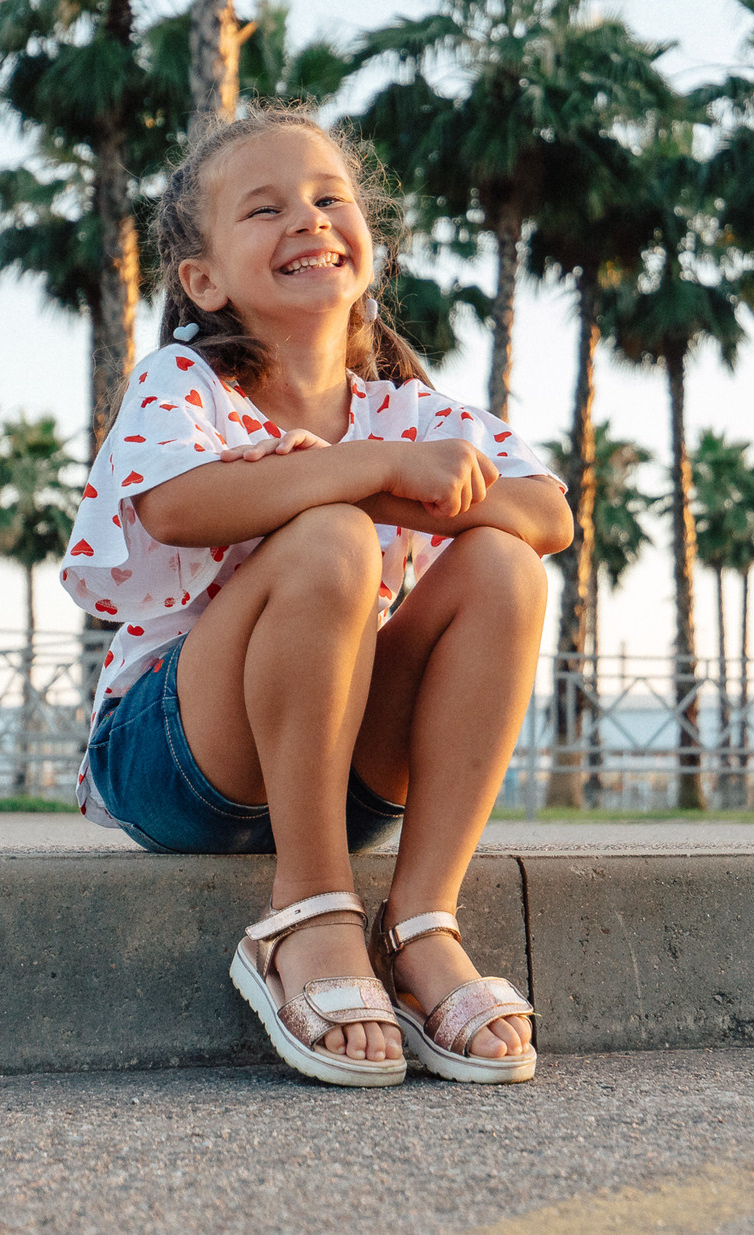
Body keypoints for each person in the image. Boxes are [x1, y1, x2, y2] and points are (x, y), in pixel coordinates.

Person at [58, 111, 572, 1089]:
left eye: (330, 197)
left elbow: (546, 514)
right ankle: (308, 909)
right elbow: (177, 504)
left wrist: (378, 472)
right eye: (264, 209)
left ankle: (420, 922)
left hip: (345, 775)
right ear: (202, 279)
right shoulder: (185, 382)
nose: (307, 218)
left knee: (504, 565)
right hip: (179, 762)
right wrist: (372, 474)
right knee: (329, 534)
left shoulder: (408, 407)